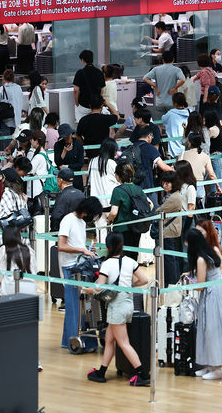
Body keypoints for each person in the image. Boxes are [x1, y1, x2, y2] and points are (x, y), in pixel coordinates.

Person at [85, 232, 150, 386]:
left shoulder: (107, 264)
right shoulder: (130, 261)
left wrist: (83, 288)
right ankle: (101, 372)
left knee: (123, 342)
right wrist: (128, 285)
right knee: (109, 339)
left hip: (116, 306)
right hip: (128, 303)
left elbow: (98, 288)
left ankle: (142, 374)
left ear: (108, 247)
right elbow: (144, 279)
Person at [186, 228, 222, 380]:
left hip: (211, 294)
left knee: (212, 329)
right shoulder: (212, 251)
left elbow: (201, 285)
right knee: (212, 327)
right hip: (219, 291)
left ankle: (219, 368)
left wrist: (189, 283)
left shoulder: (201, 260)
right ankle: (211, 364)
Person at [58, 197, 103, 352]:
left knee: (84, 306)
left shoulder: (82, 222)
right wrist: (82, 250)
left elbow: (76, 244)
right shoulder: (68, 220)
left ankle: (71, 340)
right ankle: (73, 342)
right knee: (74, 306)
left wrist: (87, 250)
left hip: (80, 265)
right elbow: (61, 246)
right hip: (70, 267)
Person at [109, 162, 154, 261]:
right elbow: (150, 204)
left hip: (121, 228)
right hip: (136, 227)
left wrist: (109, 220)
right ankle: (133, 276)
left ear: (118, 175)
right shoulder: (138, 188)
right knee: (133, 255)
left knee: (121, 256)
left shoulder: (117, 190)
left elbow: (113, 212)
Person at [129, 125, 173, 205]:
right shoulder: (150, 148)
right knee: (153, 212)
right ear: (149, 135)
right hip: (148, 187)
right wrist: (177, 172)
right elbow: (163, 167)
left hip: (133, 188)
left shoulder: (130, 148)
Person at [0, 225, 37, 296]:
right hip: (31, 290)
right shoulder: (29, 250)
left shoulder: (3, 250)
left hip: (9, 290)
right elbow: (34, 271)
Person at [156, 171, 185, 286]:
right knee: (170, 260)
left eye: (167, 183)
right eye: (163, 183)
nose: (164, 185)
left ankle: (172, 285)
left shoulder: (174, 198)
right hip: (170, 231)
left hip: (170, 233)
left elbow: (159, 211)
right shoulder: (172, 195)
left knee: (170, 261)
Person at [179, 132, 221, 201]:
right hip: (199, 185)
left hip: (185, 186)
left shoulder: (182, 155)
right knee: (200, 209)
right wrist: (217, 186)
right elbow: (212, 174)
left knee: (187, 209)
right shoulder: (205, 156)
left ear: (189, 142)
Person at [143, 50, 186, 116]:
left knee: (160, 123)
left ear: (163, 60)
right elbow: (183, 80)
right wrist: (175, 88)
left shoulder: (156, 69)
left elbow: (145, 78)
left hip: (160, 102)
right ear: (173, 59)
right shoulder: (177, 70)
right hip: (172, 102)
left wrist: (155, 86)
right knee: (171, 122)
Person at [76, 96, 120, 160]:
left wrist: (85, 144)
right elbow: (117, 116)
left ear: (90, 106)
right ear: (101, 107)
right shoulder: (106, 118)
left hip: (90, 151)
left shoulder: (83, 120)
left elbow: (78, 136)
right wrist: (107, 103)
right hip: (104, 150)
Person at [88, 137, 119, 219]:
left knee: (100, 230)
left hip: (96, 202)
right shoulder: (111, 163)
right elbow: (119, 181)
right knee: (111, 228)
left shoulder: (92, 161)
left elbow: (90, 180)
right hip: (110, 202)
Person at [73, 49, 106, 122]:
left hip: (83, 105)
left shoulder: (80, 72)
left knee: (82, 126)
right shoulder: (99, 72)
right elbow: (102, 90)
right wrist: (99, 102)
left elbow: (76, 90)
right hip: (96, 106)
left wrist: (77, 104)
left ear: (82, 60)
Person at [54, 124, 85, 190]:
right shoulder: (58, 145)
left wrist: (67, 166)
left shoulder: (78, 145)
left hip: (76, 177)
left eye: (67, 136)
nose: (66, 138)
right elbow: (58, 162)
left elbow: (81, 163)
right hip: (64, 178)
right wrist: (64, 151)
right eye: (64, 137)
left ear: (71, 134)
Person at [0, 69, 24, 135]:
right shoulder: (18, 88)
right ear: (13, 78)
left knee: (5, 141)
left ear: (3, 78)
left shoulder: (2, 88)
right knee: (15, 141)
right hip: (17, 119)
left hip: (6, 119)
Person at [161, 93, 189, 158]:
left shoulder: (171, 113)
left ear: (175, 103)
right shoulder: (189, 112)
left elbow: (163, 119)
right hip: (187, 144)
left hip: (174, 145)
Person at [27, 130, 53, 199]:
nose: (31, 141)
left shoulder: (38, 157)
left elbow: (29, 171)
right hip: (41, 189)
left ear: (37, 141)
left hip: (35, 191)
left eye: (32, 139)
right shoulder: (44, 153)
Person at [205, 111, 222, 183]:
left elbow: (204, 141)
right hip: (218, 155)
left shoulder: (212, 129)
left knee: (216, 180)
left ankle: (216, 193)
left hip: (215, 156)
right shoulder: (217, 127)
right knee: (217, 178)